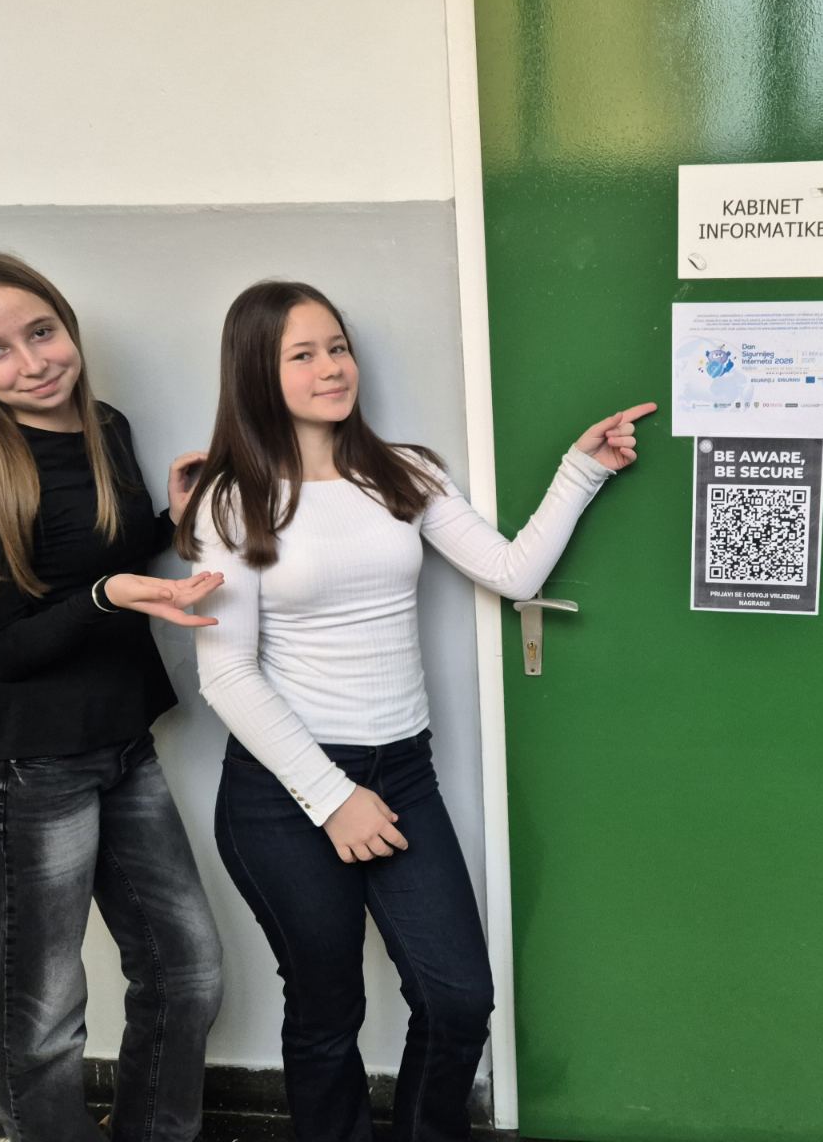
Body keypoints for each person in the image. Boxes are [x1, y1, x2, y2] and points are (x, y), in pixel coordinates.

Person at [176, 279, 653, 1142]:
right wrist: (332, 799)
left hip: (401, 771)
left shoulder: (403, 471)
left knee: (458, 997)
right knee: (326, 1009)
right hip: (284, 792)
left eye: (338, 347)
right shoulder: (229, 499)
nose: (332, 368)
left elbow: (512, 571)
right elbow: (228, 676)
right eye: (303, 355)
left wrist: (582, 469)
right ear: (255, 372)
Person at [0, 253, 226, 1142]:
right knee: (44, 1023)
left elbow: (97, 557)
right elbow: (7, 648)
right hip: (24, 773)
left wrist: (168, 523)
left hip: (121, 745)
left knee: (186, 973)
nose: (33, 363)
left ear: (68, 326)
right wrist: (107, 596)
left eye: (42, 332)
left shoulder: (104, 426)